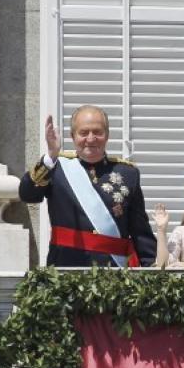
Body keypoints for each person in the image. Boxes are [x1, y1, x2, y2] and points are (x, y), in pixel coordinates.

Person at [19, 105, 156, 267]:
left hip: (114, 272)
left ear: (107, 136)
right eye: (83, 133)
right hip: (66, 268)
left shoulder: (128, 173)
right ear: (72, 136)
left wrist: (150, 269)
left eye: (97, 132)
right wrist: (50, 157)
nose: (91, 139)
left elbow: (140, 230)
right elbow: (27, 195)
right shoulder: (56, 168)